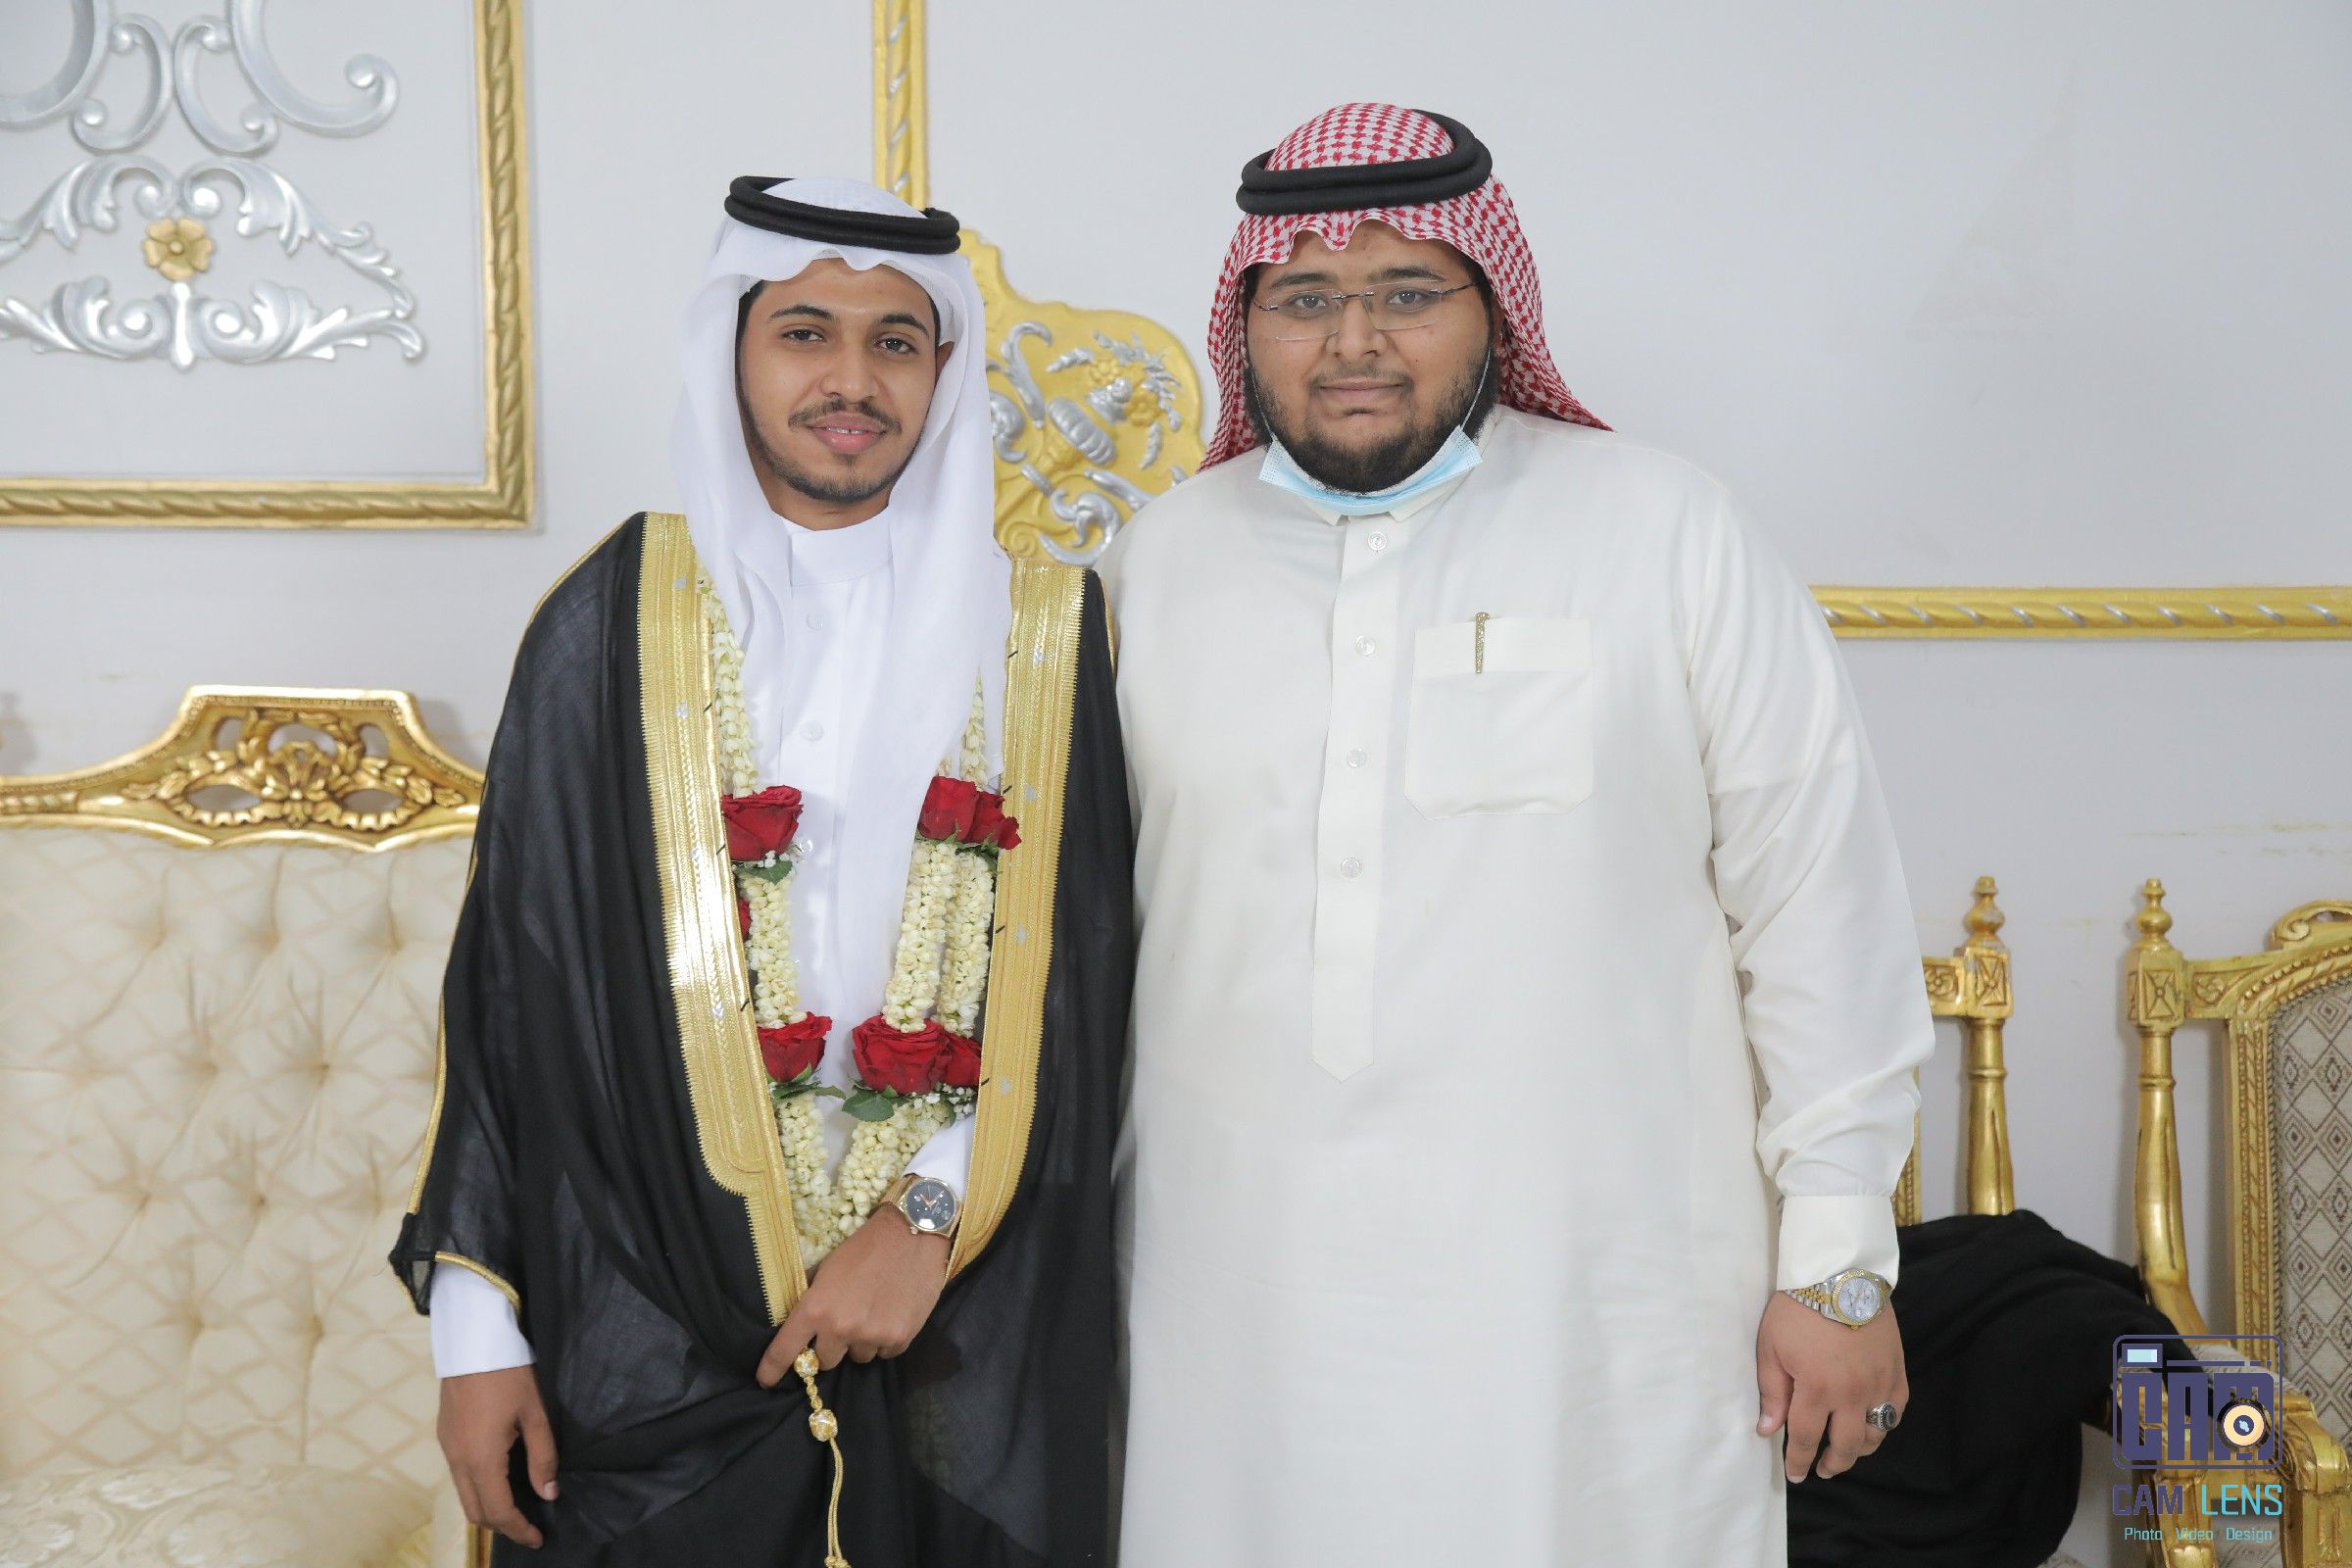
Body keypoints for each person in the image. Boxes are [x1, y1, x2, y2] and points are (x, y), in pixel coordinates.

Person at [1100, 104, 1935, 1566]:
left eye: (1407, 292)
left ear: (1494, 308)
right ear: (1248, 323)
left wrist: (1838, 1266)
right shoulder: (1156, 563)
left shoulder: (1668, 530)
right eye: (1306, 298)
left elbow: (1821, 907)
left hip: (1600, 1306)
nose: (1355, 341)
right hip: (1225, 1306)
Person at [391, 176, 1131, 1568]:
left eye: (895, 341)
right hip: (647, 1322)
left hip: (964, 1315)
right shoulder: (611, 616)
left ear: (943, 371)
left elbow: (1086, 994)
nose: (851, 380)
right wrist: (475, 1340)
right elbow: (512, 999)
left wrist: (926, 1218)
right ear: (729, 353)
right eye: (804, 333)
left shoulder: (1047, 634)